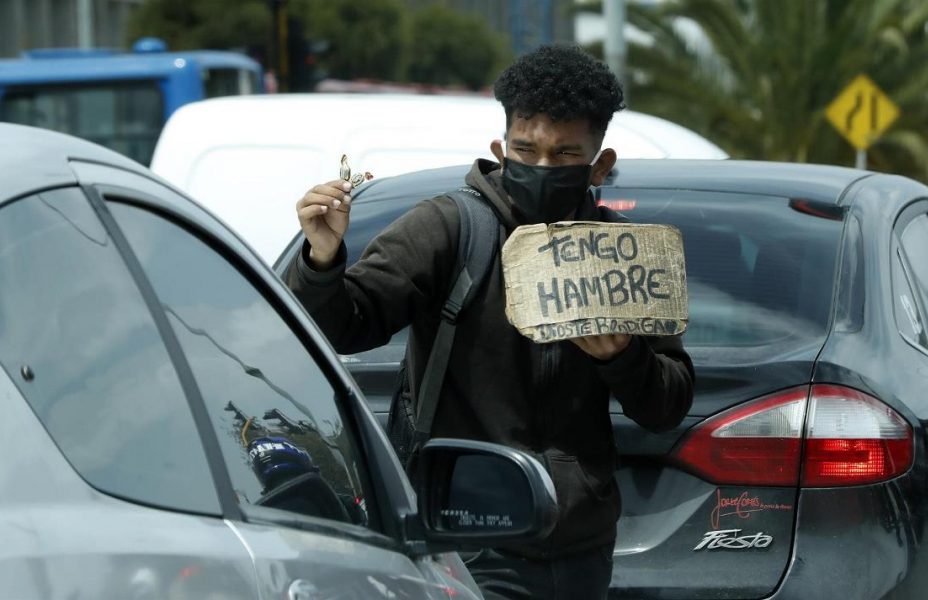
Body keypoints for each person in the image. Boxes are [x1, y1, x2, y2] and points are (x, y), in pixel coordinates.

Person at [285, 44, 694, 600]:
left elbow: (666, 406)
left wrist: (622, 357)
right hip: (468, 539)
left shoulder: (620, 257)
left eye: (565, 153)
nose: (544, 167)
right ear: (501, 149)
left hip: (580, 547)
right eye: (527, 151)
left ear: (599, 163)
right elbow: (339, 327)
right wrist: (323, 261)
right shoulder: (448, 228)